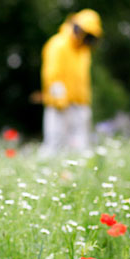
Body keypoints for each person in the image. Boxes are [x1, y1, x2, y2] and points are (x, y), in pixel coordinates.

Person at [40, 9, 102, 155]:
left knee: (81, 147)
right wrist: (59, 99)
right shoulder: (58, 44)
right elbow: (52, 74)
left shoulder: (84, 51)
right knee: (55, 144)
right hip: (60, 105)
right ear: (78, 29)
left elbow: (82, 79)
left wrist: (85, 102)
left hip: (80, 105)